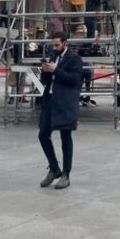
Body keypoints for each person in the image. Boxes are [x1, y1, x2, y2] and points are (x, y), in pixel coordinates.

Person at [38, 33, 84, 189]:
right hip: (50, 100)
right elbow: (46, 81)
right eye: (53, 45)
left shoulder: (74, 59)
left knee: (65, 136)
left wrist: (56, 70)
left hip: (65, 102)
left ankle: (66, 174)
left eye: (57, 45)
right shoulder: (53, 56)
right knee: (43, 134)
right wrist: (45, 70)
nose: (54, 47)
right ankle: (54, 168)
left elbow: (75, 80)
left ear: (65, 43)